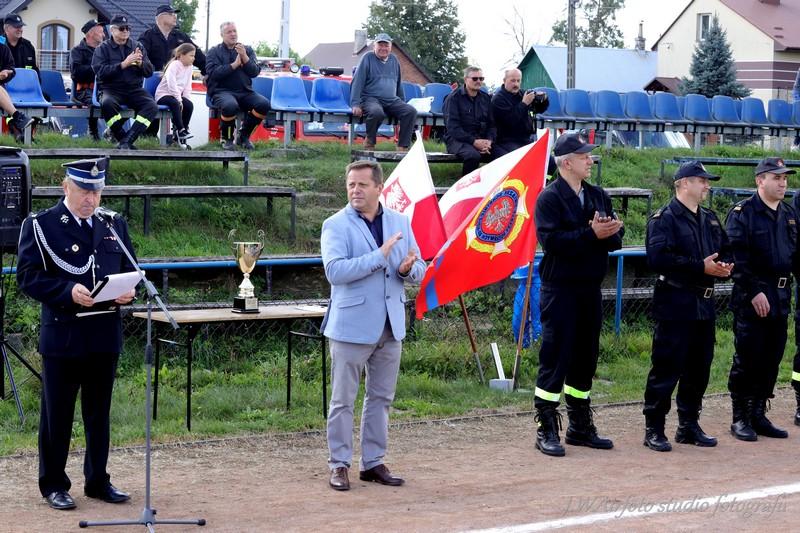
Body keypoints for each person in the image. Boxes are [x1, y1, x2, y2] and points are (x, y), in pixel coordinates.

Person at [16, 157, 137, 510]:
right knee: (58, 414)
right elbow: (28, 277)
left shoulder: (113, 223)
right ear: (65, 186)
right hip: (64, 334)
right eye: (84, 191)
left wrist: (129, 291)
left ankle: (98, 481)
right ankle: (54, 484)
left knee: (99, 414)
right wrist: (67, 291)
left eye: (96, 192)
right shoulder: (42, 225)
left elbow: (129, 267)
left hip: (104, 333)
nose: (91, 199)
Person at [321, 159, 425, 491]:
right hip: (350, 326)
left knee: (381, 398)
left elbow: (419, 267)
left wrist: (408, 269)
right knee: (343, 401)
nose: (355, 190)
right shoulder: (335, 225)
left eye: (362, 184)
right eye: (351, 184)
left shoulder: (400, 221)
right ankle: (339, 464)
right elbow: (335, 272)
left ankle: (373, 462)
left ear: (379, 188)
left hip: (391, 325)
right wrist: (379, 256)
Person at [532, 132, 624, 457]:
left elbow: (615, 241)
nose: (590, 160)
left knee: (586, 358)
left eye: (590, 155)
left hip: (589, 289)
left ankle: (580, 426)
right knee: (555, 357)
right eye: (584, 156)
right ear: (566, 163)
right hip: (561, 290)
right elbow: (552, 242)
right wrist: (590, 234)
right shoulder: (548, 199)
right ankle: (546, 427)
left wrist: (608, 232)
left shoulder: (598, 195)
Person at [642, 162, 733, 452]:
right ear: (683, 183)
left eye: (707, 181)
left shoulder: (710, 218)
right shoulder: (664, 219)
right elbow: (657, 258)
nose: (707, 185)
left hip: (704, 305)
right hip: (675, 302)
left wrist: (725, 266)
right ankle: (654, 428)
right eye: (701, 180)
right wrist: (699, 267)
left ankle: (688, 425)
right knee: (667, 367)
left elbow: (726, 249)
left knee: (699, 368)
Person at [726, 157, 799, 441]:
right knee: (748, 358)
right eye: (776, 177)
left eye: (785, 178)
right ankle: (740, 416)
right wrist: (754, 291)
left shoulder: (789, 214)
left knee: (772, 358)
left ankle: (758, 412)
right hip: (753, 296)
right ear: (760, 180)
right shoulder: (743, 213)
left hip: (780, 296)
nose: (783, 183)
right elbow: (736, 257)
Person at [92, 15, 158, 149]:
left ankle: (127, 141)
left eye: (128, 28)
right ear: (112, 30)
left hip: (134, 89)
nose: (126, 31)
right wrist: (123, 64)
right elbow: (100, 72)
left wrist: (141, 64)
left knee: (151, 106)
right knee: (107, 104)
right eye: (122, 28)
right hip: (111, 89)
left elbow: (149, 71)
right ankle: (124, 139)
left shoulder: (137, 46)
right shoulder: (102, 48)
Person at [205, 21, 269, 150]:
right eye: (229, 32)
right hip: (221, 91)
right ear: (222, 35)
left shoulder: (247, 50)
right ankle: (227, 139)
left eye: (234, 31)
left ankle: (243, 137)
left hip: (245, 91)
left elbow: (254, 72)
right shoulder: (214, 51)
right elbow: (213, 74)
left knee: (264, 104)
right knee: (230, 105)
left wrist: (244, 57)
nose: (233, 34)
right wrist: (233, 65)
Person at [349, 33, 417, 152]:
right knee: (377, 112)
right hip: (371, 98)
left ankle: (403, 146)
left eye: (386, 45)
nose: (383, 48)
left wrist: (402, 101)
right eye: (380, 45)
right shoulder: (367, 58)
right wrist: (355, 103)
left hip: (391, 100)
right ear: (374, 46)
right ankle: (370, 141)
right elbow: (357, 81)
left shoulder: (394, 60)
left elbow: (398, 83)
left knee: (410, 111)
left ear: (390, 47)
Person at [443, 66, 496, 176]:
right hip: (457, 139)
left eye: (481, 79)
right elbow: (453, 128)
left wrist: (489, 141)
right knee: (473, 156)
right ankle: (466, 185)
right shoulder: (453, 98)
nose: (478, 81)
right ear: (465, 79)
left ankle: (494, 185)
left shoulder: (486, 98)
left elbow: (492, 125)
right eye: (475, 78)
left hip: (480, 138)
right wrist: (474, 142)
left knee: (502, 153)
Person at [490, 68, 550, 155]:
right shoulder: (498, 99)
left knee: (549, 160)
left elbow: (539, 110)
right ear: (504, 80)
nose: (516, 84)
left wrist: (543, 100)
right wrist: (524, 103)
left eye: (518, 81)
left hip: (526, 139)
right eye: (513, 81)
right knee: (525, 157)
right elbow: (511, 120)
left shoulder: (523, 94)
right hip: (507, 140)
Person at [138, 4, 206, 74]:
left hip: (177, 78)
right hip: (154, 78)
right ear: (160, 18)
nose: (175, 17)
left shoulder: (181, 37)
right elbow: (140, 58)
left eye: (175, 14)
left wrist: (208, 72)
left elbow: (197, 55)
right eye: (171, 14)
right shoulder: (147, 36)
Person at [69, 19, 106, 141]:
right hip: (84, 90)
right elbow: (76, 73)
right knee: (97, 102)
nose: (104, 35)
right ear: (90, 34)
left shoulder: (105, 51)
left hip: (104, 89)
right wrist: (96, 69)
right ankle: (93, 132)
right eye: (100, 32)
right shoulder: (77, 51)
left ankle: (112, 132)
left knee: (119, 100)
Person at [154, 42, 195, 145]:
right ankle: (180, 130)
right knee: (175, 103)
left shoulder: (190, 67)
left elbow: (187, 86)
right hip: (163, 95)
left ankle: (183, 130)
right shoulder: (174, 65)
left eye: (194, 56)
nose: (193, 58)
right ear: (181, 55)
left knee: (189, 105)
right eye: (191, 55)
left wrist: (185, 99)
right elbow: (171, 84)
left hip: (176, 96)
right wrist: (179, 99)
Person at [0, 40, 33, 138]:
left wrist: (6, 73)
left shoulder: (3, 48)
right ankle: (17, 117)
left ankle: (17, 120)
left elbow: (11, 69)